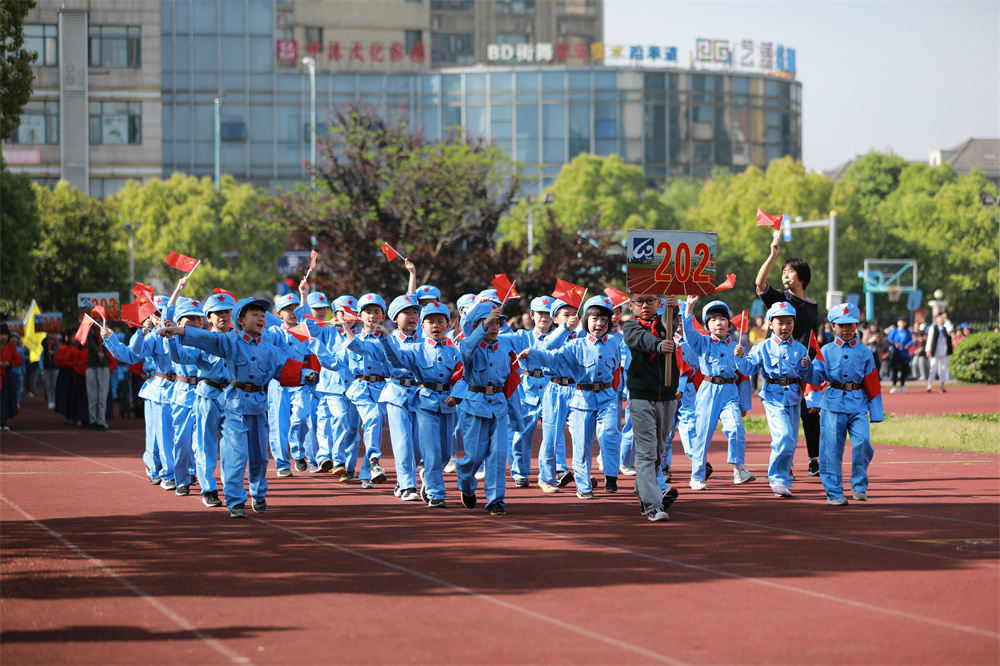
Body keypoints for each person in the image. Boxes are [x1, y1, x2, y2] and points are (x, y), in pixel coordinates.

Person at [159, 297, 319, 519]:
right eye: (255, 314)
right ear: (241, 321)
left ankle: (258, 494)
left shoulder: (270, 350)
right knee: (235, 454)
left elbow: (286, 367)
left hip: (259, 406)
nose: (261, 318)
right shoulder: (230, 342)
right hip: (233, 405)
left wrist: (307, 375)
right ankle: (235, 500)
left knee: (260, 457)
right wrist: (180, 332)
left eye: (262, 315)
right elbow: (207, 339)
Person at [527, 296, 625, 501]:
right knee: (552, 435)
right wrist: (565, 329)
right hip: (555, 389)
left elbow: (610, 362)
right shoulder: (557, 334)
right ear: (556, 319)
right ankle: (547, 477)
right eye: (566, 315)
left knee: (583, 436)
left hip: (578, 390)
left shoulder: (585, 336)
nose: (571, 318)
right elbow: (547, 350)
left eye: (574, 314)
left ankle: (585, 477)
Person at [377, 301, 462, 507]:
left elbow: (462, 376)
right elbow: (397, 361)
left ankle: (426, 478)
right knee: (420, 447)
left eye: (440, 321)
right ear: (422, 327)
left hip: (446, 403)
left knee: (442, 452)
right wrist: (385, 339)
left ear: (448, 325)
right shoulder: (414, 348)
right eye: (430, 321)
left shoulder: (454, 351)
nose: (435, 325)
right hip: (419, 400)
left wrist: (458, 395)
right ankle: (430, 492)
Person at [755, 236, 822, 476]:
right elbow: (760, 283)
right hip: (784, 365)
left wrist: (816, 363)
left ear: (802, 275)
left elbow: (815, 335)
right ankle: (787, 463)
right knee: (788, 419)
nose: (785, 274)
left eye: (790, 271)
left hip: (808, 364)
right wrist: (772, 255)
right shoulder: (781, 299)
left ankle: (814, 460)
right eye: (783, 271)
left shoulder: (813, 304)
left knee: (812, 413)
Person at [807, 302, 883, 505]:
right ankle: (834, 493)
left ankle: (859, 485)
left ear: (857, 325)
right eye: (842, 325)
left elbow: (873, 384)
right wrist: (805, 369)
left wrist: (876, 413)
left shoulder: (865, 352)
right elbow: (815, 378)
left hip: (858, 404)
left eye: (851, 325)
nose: (847, 329)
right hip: (833, 404)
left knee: (863, 443)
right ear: (832, 326)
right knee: (831, 449)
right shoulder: (826, 350)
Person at [738, 302, 816, 497]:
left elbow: (808, 378)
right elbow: (748, 369)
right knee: (783, 435)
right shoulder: (762, 347)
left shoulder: (799, 348)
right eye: (779, 322)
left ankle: (784, 479)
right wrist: (740, 358)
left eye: (789, 322)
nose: (784, 327)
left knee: (790, 439)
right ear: (770, 324)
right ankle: (777, 479)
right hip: (773, 397)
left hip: (794, 397)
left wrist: (807, 367)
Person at [681, 296, 754, 490]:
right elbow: (688, 332)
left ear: (729, 323)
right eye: (712, 319)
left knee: (736, 427)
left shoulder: (736, 346)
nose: (718, 323)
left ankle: (739, 469)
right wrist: (689, 307)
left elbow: (745, 372)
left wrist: (742, 357)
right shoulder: (702, 342)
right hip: (708, 390)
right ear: (707, 325)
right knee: (702, 435)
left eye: (722, 318)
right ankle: (697, 476)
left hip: (730, 391)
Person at [620, 293, 679, 522]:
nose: (645, 305)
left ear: (659, 303)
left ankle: (642, 492)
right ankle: (652, 504)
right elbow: (643, 341)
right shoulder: (631, 326)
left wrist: (675, 308)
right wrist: (658, 345)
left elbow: (670, 325)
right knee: (646, 452)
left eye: (651, 300)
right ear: (631, 305)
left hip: (667, 397)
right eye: (640, 301)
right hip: (641, 398)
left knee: (657, 452)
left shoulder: (666, 322)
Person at [85, 321, 111, 431]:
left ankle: (101, 420)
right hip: (91, 366)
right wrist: (97, 352)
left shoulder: (106, 332)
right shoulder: (89, 332)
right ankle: (93, 420)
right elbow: (90, 343)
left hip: (103, 366)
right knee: (93, 396)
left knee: (102, 396)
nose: (98, 322)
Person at [0, 324, 24, 431]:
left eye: (5, 335)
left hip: (8, 375)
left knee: (7, 397)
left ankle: (5, 422)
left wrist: (9, 363)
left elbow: (19, 360)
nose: (3, 337)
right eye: (1, 335)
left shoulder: (11, 346)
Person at [924, 312, 953, 393]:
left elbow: (950, 327)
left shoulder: (945, 328)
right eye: (940, 318)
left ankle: (942, 385)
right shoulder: (933, 327)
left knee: (943, 368)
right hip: (935, 350)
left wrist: (946, 319)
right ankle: (930, 384)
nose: (941, 319)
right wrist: (928, 350)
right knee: (933, 367)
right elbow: (930, 339)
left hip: (944, 351)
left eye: (942, 318)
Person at [885, 319, 913, 393]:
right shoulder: (894, 331)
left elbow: (911, 340)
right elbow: (889, 339)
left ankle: (902, 386)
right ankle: (894, 385)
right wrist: (895, 343)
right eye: (900, 322)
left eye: (903, 322)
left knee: (904, 370)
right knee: (895, 369)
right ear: (898, 323)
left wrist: (908, 345)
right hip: (896, 353)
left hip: (905, 354)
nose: (902, 323)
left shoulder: (907, 332)